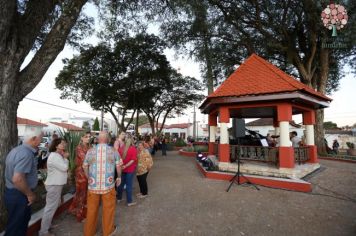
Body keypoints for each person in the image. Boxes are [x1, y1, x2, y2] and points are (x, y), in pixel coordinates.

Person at [4, 130, 43, 236]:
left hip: (14, 193)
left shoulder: (17, 150)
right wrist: (30, 194)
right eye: (41, 138)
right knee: (17, 228)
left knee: (16, 225)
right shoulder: (26, 154)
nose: (41, 141)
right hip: (19, 194)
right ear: (34, 139)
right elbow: (18, 179)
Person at [83, 131, 121, 236]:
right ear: (107, 139)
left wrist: (88, 177)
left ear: (98, 139)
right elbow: (118, 166)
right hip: (108, 186)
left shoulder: (90, 151)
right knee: (108, 209)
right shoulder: (113, 151)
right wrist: (119, 177)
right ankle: (108, 231)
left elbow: (85, 166)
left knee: (91, 210)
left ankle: (89, 233)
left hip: (93, 186)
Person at [39, 138, 69, 236]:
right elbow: (65, 168)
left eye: (64, 143)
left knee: (52, 206)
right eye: (62, 143)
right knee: (50, 207)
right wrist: (65, 158)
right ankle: (43, 231)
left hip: (55, 184)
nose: (64, 145)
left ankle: (47, 226)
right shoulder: (55, 156)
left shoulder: (57, 155)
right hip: (54, 184)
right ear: (56, 145)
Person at [68, 132, 91, 222]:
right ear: (81, 138)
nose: (88, 138)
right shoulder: (79, 148)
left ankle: (74, 210)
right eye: (86, 137)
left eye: (89, 136)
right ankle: (79, 216)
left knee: (83, 194)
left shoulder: (89, 147)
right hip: (81, 175)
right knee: (81, 194)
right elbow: (86, 160)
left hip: (88, 173)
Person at [116, 137, 137, 206]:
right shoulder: (133, 149)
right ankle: (129, 201)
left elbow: (118, 158)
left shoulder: (120, 148)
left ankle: (119, 198)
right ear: (131, 142)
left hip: (122, 169)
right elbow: (133, 160)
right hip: (129, 170)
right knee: (129, 185)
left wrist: (123, 166)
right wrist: (126, 166)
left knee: (120, 184)